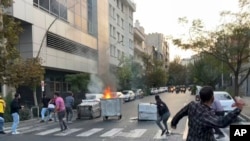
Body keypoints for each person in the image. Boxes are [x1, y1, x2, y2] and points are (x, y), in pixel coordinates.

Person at [171, 86, 245, 141]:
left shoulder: (192, 105)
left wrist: (174, 122)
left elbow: (181, 113)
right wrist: (238, 109)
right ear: (212, 98)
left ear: (200, 97)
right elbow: (222, 122)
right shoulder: (206, 114)